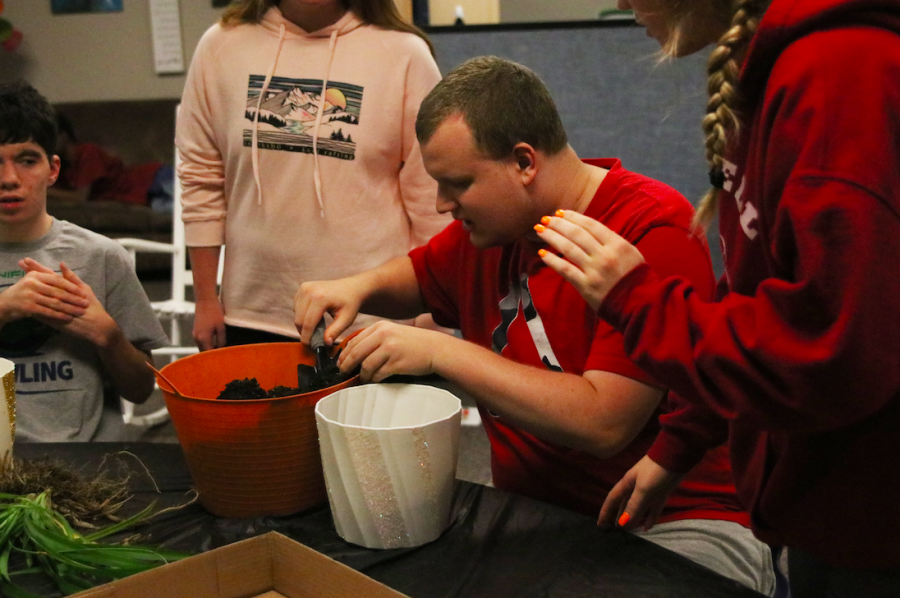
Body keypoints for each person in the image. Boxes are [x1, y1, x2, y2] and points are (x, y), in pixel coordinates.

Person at [294, 56, 776, 595]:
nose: (441, 204)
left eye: (457, 184)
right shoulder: (497, 227)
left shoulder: (651, 229)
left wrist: (443, 353)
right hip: (543, 518)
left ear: (524, 161)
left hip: (674, 522)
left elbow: (603, 423)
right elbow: (420, 273)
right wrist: (356, 287)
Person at [533, 0, 900, 595]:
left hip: (871, 519)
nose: (621, 3)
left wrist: (636, 299)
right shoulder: (778, 71)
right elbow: (762, 292)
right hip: (818, 500)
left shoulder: (839, 75)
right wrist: (681, 442)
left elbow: (834, 352)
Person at [176, 0, 451, 351]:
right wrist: (204, 299)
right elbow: (201, 176)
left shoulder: (405, 55)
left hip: (371, 323)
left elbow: (432, 198)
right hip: (250, 315)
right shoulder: (221, 45)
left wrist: (431, 313)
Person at [0, 81, 169, 442]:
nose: (9, 179)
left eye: (27, 160)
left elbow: (141, 391)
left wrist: (108, 336)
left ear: (53, 169)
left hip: (91, 459)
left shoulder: (101, 255)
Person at [47, 113, 176, 214]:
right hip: (143, 198)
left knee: (193, 200)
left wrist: (43, 189)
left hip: (152, 178)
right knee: (181, 214)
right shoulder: (61, 168)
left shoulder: (87, 152)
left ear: (63, 136)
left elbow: (80, 197)